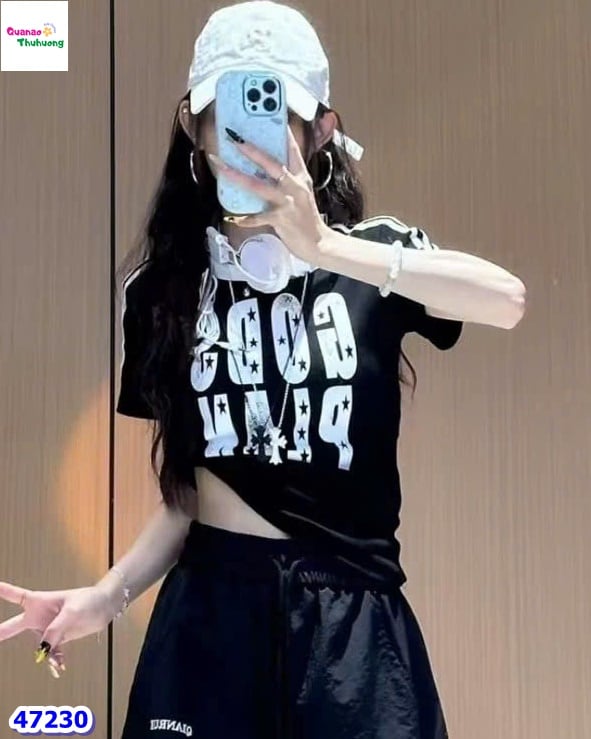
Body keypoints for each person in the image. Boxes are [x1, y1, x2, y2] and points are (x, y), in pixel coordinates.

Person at [0, 1, 527, 737]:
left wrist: (327, 249)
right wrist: (109, 595)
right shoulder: (162, 289)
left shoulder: (375, 258)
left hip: (353, 625)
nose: (247, 144)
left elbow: (507, 300)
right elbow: (190, 491)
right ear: (195, 130)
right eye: (227, 121)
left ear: (321, 132)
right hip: (210, 619)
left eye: (272, 117)